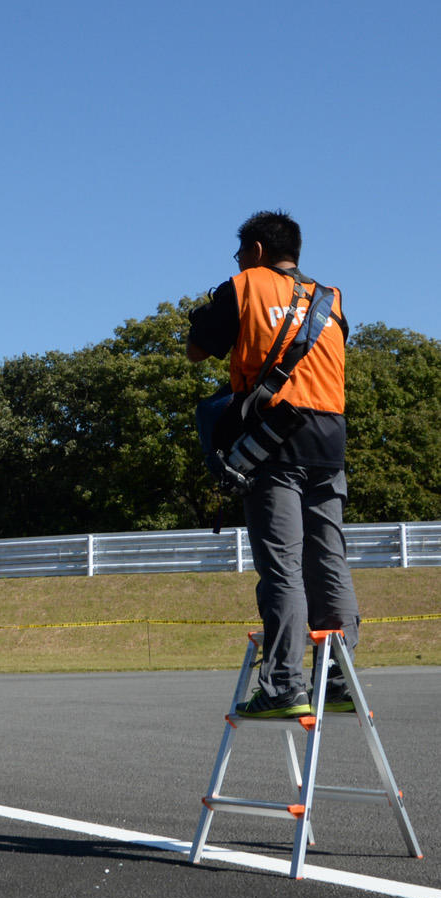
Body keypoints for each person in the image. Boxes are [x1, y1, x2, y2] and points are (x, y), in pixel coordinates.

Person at [187, 210, 356, 717]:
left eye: (240, 253)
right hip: (330, 440)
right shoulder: (331, 298)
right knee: (329, 559)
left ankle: (284, 685)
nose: (237, 262)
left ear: (256, 251)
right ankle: (341, 682)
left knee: (282, 567)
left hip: (274, 439)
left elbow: (197, 351)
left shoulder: (245, 286)